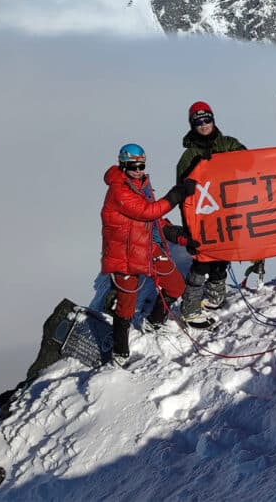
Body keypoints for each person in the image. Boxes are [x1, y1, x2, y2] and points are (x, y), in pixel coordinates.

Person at [101, 143, 197, 366]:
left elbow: (153, 219)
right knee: (126, 305)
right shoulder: (119, 190)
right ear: (123, 165)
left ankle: (154, 321)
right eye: (133, 166)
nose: (138, 170)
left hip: (147, 247)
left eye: (141, 165)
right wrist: (177, 194)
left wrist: (179, 236)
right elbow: (147, 212)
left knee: (175, 287)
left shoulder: (141, 184)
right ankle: (120, 351)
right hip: (125, 254)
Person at [175, 101, 246, 328]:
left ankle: (215, 296)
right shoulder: (189, 156)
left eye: (207, 120)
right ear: (192, 125)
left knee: (222, 255)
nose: (204, 125)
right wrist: (188, 228)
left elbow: (250, 163)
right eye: (198, 122)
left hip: (227, 211)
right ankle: (190, 307)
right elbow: (182, 194)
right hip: (203, 217)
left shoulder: (228, 144)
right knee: (202, 260)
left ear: (213, 120)